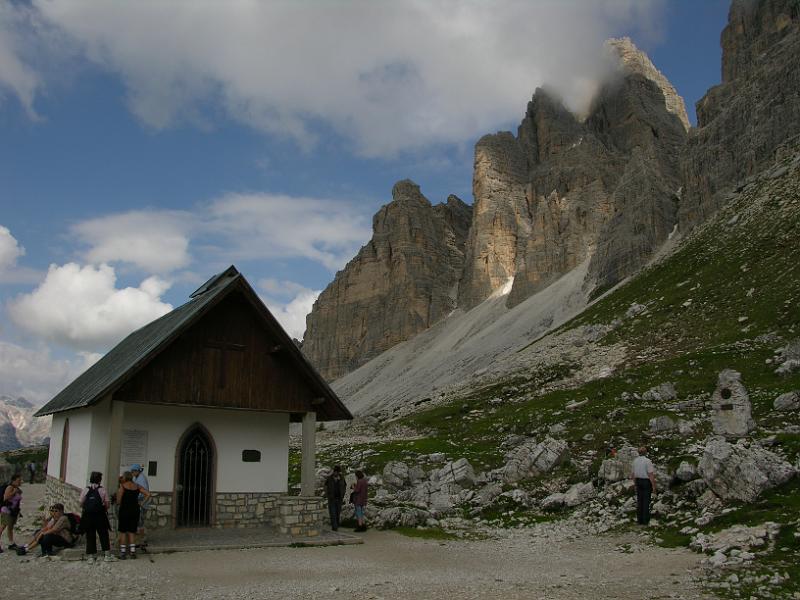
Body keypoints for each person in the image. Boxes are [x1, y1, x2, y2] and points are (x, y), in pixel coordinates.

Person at [80, 471, 115, 562]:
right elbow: (107, 504)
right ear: (100, 480)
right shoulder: (102, 490)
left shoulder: (86, 489)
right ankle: (107, 555)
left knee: (90, 534)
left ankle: (91, 556)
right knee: (103, 534)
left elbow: (81, 503)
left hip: (88, 516)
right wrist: (103, 508)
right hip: (100, 515)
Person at [116, 471, 150, 559]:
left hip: (124, 511)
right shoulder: (137, 486)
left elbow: (118, 501)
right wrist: (141, 503)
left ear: (125, 477)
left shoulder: (122, 487)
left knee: (123, 531)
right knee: (132, 531)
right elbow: (148, 494)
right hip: (135, 510)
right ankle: (132, 552)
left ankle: (123, 553)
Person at [631, 446, 657, 526]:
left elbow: (633, 474)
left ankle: (640, 520)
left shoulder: (635, 461)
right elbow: (650, 474)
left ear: (639, 453)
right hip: (646, 481)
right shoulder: (648, 461)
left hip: (638, 481)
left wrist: (635, 484)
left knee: (640, 501)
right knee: (646, 501)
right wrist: (653, 486)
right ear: (646, 452)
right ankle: (645, 520)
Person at [0, 473, 23, 553]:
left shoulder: (17, 488)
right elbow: (6, 498)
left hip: (13, 511)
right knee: (2, 527)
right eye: (18, 480)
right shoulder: (10, 487)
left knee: (10, 527)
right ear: (13, 481)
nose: (20, 482)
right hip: (7, 510)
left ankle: (11, 543)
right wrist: (14, 492)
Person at [130, 464, 150, 548]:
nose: (132, 473)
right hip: (138, 502)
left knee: (140, 522)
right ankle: (139, 539)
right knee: (139, 522)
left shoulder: (141, 479)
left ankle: (142, 540)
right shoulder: (136, 478)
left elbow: (145, 492)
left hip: (141, 503)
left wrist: (141, 502)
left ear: (137, 471)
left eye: (133, 471)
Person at [324, 465, 346, 531]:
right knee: (332, 513)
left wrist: (343, 494)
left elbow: (344, 486)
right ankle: (334, 527)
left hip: (339, 498)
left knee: (337, 513)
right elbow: (325, 486)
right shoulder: (330, 478)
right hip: (332, 499)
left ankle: (336, 524)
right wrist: (328, 494)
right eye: (335, 472)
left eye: (337, 472)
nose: (336, 473)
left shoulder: (342, 478)